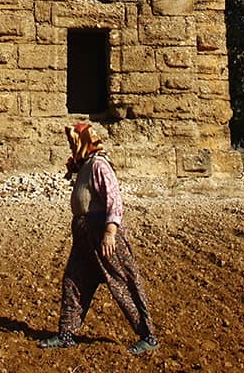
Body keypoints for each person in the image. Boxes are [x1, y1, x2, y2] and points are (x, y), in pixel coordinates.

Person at [39, 121, 157, 356]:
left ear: (83, 142)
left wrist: (110, 233)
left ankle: (148, 336)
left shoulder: (99, 165)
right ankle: (67, 333)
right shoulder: (85, 165)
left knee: (123, 283)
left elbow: (114, 199)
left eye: (74, 141)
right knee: (74, 281)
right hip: (84, 236)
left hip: (101, 233)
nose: (71, 145)